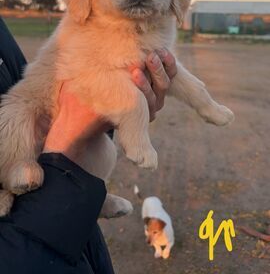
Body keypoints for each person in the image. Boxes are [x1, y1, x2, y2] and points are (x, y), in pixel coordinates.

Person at [0, 17, 177, 274]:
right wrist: (66, 153)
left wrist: (102, 113)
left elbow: (32, 90)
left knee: (105, 150)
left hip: (72, 232)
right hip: (40, 235)